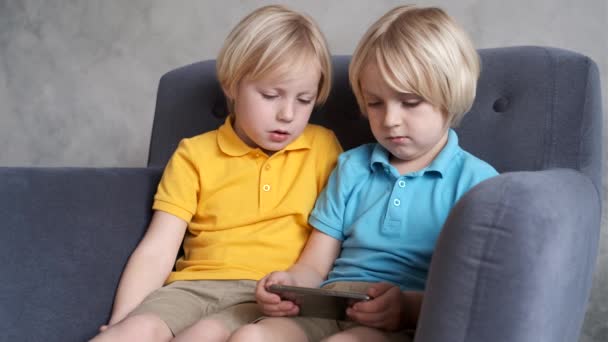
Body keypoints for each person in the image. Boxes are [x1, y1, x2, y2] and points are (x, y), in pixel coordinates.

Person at [228, 5, 499, 342]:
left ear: (450, 96)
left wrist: (406, 307)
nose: (390, 120)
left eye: (410, 102)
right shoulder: (352, 167)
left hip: (400, 318)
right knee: (249, 337)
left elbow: (472, 294)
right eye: (375, 103)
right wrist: (289, 285)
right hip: (331, 306)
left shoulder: (477, 184)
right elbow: (314, 264)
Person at [90, 5, 341, 342]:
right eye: (270, 95)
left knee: (204, 336)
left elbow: (333, 237)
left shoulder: (323, 148)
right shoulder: (194, 153)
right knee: (129, 334)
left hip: (274, 294)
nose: (287, 114)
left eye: (305, 99)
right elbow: (158, 249)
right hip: (193, 289)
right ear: (232, 85)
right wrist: (123, 318)